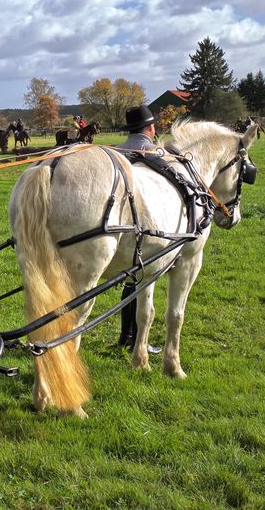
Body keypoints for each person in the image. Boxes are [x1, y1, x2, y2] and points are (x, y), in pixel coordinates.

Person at [116, 104, 162, 355]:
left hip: (119, 222)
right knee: (140, 280)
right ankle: (135, 339)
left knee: (129, 282)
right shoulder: (154, 152)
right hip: (145, 225)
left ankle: (126, 335)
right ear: (150, 128)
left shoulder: (118, 150)